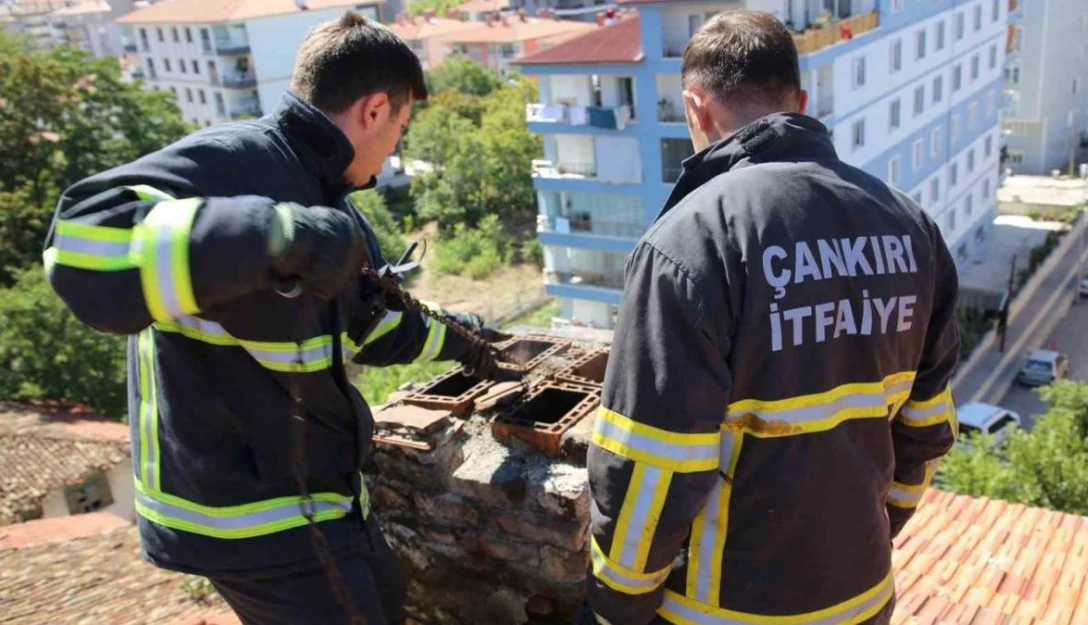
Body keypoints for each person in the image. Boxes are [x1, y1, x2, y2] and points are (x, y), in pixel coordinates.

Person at [43, 11, 514, 625]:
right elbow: (82, 250)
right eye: (400, 126)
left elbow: (374, 325)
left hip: (317, 501)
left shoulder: (332, 201)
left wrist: (468, 339)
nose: (396, 145)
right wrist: (279, 237)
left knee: (387, 593)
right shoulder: (232, 163)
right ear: (374, 111)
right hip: (251, 515)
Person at [579, 10, 960, 625]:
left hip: (722, 611)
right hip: (862, 601)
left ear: (695, 109)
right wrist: (873, 531)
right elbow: (927, 425)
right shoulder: (911, 227)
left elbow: (650, 463)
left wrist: (614, 607)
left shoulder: (691, 241)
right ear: (801, 102)